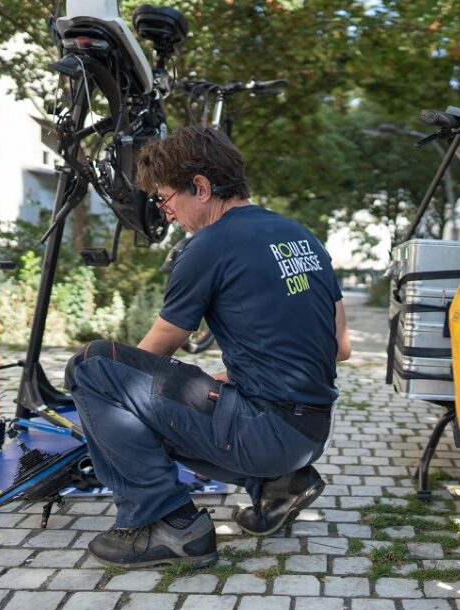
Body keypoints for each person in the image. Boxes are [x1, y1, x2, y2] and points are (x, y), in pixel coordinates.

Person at [63, 126, 350, 569]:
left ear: (200, 187)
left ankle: (165, 521)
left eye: (165, 199)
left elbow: (152, 353)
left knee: (93, 367)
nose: (168, 213)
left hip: (264, 432)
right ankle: (281, 485)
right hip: (309, 433)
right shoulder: (301, 237)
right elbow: (339, 346)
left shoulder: (209, 245)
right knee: (179, 395)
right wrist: (235, 379)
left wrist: (111, 412)